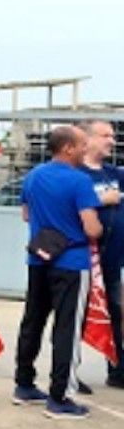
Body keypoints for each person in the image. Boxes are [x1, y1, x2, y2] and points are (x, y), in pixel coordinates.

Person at [14, 124, 102, 419]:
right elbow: (91, 226)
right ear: (67, 147)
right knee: (68, 328)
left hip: (40, 260)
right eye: (81, 144)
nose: (85, 148)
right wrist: (99, 227)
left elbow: (26, 214)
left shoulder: (34, 175)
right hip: (72, 264)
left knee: (33, 321)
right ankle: (60, 397)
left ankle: (24, 384)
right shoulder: (80, 182)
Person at [79, 120, 124, 389]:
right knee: (77, 315)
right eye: (105, 135)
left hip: (112, 261)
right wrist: (100, 201)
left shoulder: (114, 174)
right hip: (83, 261)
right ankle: (68, 372)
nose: (112, 140)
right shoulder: (77, 174)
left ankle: (118, 370)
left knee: (115, 313)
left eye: (113, 135)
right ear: (88, 139)